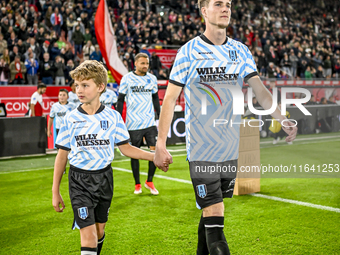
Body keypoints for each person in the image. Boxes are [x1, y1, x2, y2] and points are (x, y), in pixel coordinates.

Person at [153, 1, 298, 254]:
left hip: (231, 151)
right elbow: (169, 98)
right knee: (217, 225)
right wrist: (160, 144)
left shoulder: (240, 51)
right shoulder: (189, 52)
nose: (225, 9)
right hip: (202, 152)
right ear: (203, 11)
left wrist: (280, 116)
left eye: (228, 4)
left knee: (210, 216)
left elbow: (260, 91)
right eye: (218, 4)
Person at [52, 60, 155, 255]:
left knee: (99, 231)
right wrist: (55, 191)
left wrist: (154, 156)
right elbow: (62, 155)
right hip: (79, 181)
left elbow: (126, 148)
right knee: (89, 236)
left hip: (105, 179)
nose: (79, 90)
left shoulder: (113, 117)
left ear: (100, 87)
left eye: (85, 85)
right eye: (77, 85)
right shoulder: (70, 118)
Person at [117, 53, 161, 195]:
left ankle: (149, 181)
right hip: (133, 123)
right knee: (134, 153)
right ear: (135, 64)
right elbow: (120, 100)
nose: (145, 66)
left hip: (149, 122)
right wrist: (118, 119)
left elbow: (155, 99)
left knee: (154, 151)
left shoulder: (152, 79)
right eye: (142, 63)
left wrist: (159, 117)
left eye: (147, 63)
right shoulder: (127, 79)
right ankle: (137, 184)